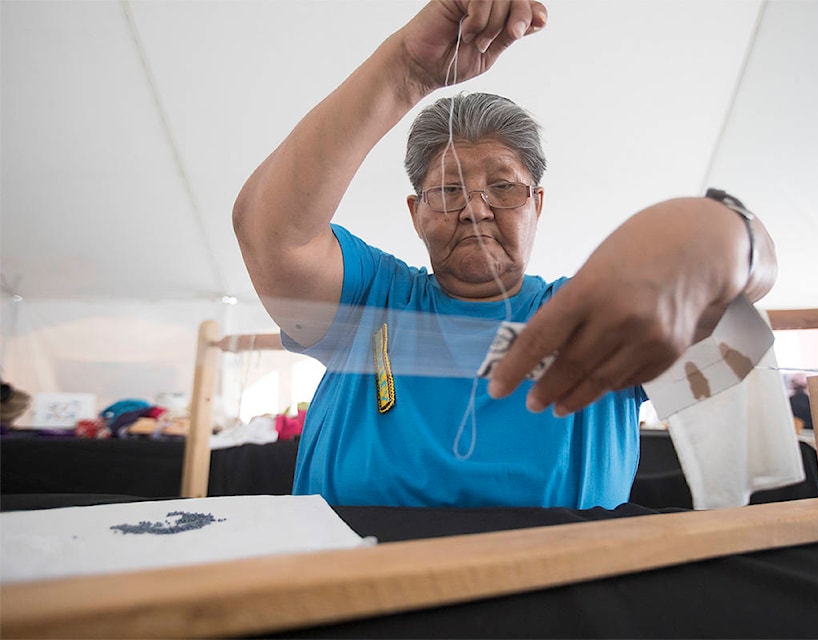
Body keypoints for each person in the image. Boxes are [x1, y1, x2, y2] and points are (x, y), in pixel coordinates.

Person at [233, 0, 777, 508]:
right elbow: (269, 234)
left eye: (504, 186)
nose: (475, 209)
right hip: (354, 593)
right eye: (448, 190)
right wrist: (405, 71)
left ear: (537, 205)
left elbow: (739, 327)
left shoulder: (595, 312)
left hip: (560, 599)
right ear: (415, 212)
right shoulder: (370, 300)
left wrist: (724, 233)